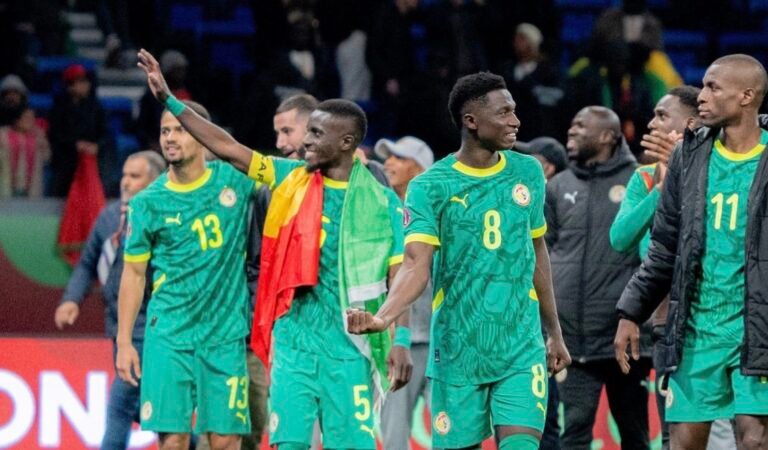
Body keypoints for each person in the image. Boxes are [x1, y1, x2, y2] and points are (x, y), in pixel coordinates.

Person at [132, 49, 411, 450]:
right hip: (294, 347)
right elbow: (229, 149)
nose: (305, 142)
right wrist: (170, 101)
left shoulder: (382, 203)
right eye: (307, 132)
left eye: (317, 134)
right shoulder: (289, 177)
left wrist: (401, 339)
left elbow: (399, 275)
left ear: (347, 142)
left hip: (351, 347)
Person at [347, 71, 570, 450]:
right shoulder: (431, 186)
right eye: (504, 113)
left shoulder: (528, 172)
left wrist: (554, 333)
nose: (516, 121)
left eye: (514, 111)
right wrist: (384, 317)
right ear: (471, 121)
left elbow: (537, 253)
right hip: (458, 351)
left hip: (520, 347)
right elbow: (415, 265)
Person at [615, 54, 768, 450]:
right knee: (682, 443)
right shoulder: (690, 155)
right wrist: (631, 311)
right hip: (697, 330)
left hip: (756, 328)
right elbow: (665, 245)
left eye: (713, 87)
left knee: (754, 439)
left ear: (747, 95)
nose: (701, 96)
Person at [117, 98, 255, 450]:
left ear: (203, 135)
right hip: (169, 336)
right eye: (165, 131)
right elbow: (133, 275)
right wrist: (124, 342)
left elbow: (286, 176)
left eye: (180, 129)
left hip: (224, 336)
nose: (170, 138)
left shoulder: (235, 182)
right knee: (173, 440)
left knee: (225, 440)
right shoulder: (147, 202)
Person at [546, 106, 651, 450]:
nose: (571, 131)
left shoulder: (638, 181)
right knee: (573, 435)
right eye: (572, 124)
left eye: (581, 126)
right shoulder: (558, 186)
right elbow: (543, 255)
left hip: (624, 336)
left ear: (607, 136)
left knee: (634, 435)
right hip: (572, 340)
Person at [55, 151, 166, 450]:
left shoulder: (166, 217)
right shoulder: (109, 216)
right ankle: (193, 443)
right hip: (118, 326)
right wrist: (71, 299)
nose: (125, 182)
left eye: (135, 176)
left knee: (120, 404)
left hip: (151, 326)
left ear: (155, 180)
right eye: (124, 175)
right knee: (146, 412)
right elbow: (87, 263)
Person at [375, 135, 435, 450]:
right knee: (394, 436)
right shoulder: (380, 213)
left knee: (453, 433)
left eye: (399, 158)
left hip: (442, 343)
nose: (389, 163)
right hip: (397, 341)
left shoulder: (441, 213)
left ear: (420, 168)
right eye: (388, 157)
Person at [0, 106, 50, 198]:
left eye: (33, 118)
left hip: (31, 187)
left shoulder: (38, 136)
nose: (31, 121)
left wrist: (44, 145)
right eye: (27, 117)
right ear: (17, 119)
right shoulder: (3, 135)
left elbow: (47, 158)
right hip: (6, 185)